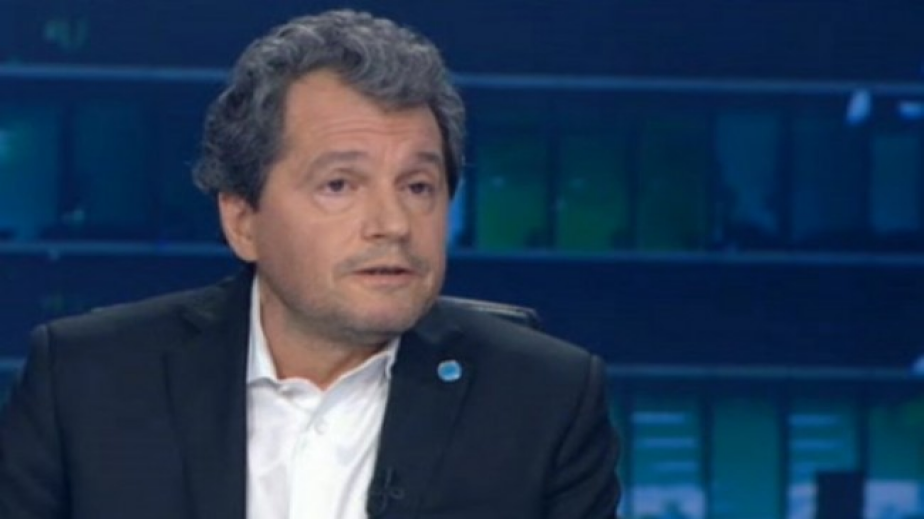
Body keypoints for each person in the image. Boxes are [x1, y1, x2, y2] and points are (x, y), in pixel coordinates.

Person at [0, 9, 620, 519]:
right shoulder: (86, 381)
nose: (393, 224)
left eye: (418, 187)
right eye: (339, 185)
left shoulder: (545, 401)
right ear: (243, 220)